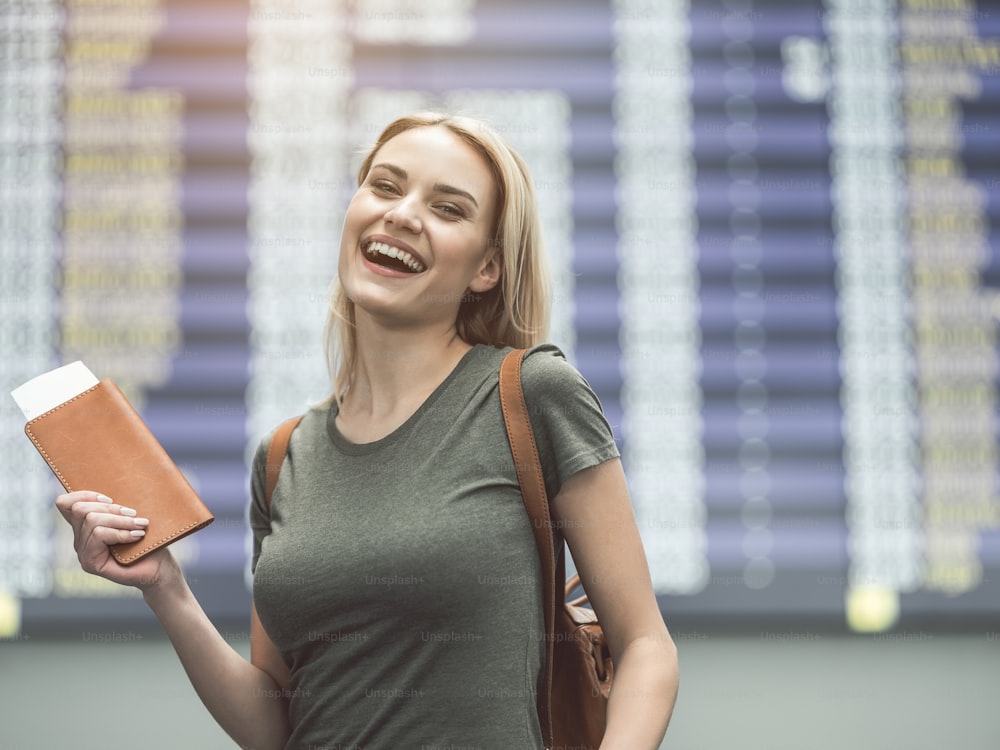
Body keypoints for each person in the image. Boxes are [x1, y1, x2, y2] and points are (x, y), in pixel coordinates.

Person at [56, 112, 679, 749]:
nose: (403, 214)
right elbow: (277, 726)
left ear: (487, 268)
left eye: (448, 208)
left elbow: (647, 649)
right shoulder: (281, 458)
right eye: (385, 187)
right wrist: (167, 588)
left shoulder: (532, 393)